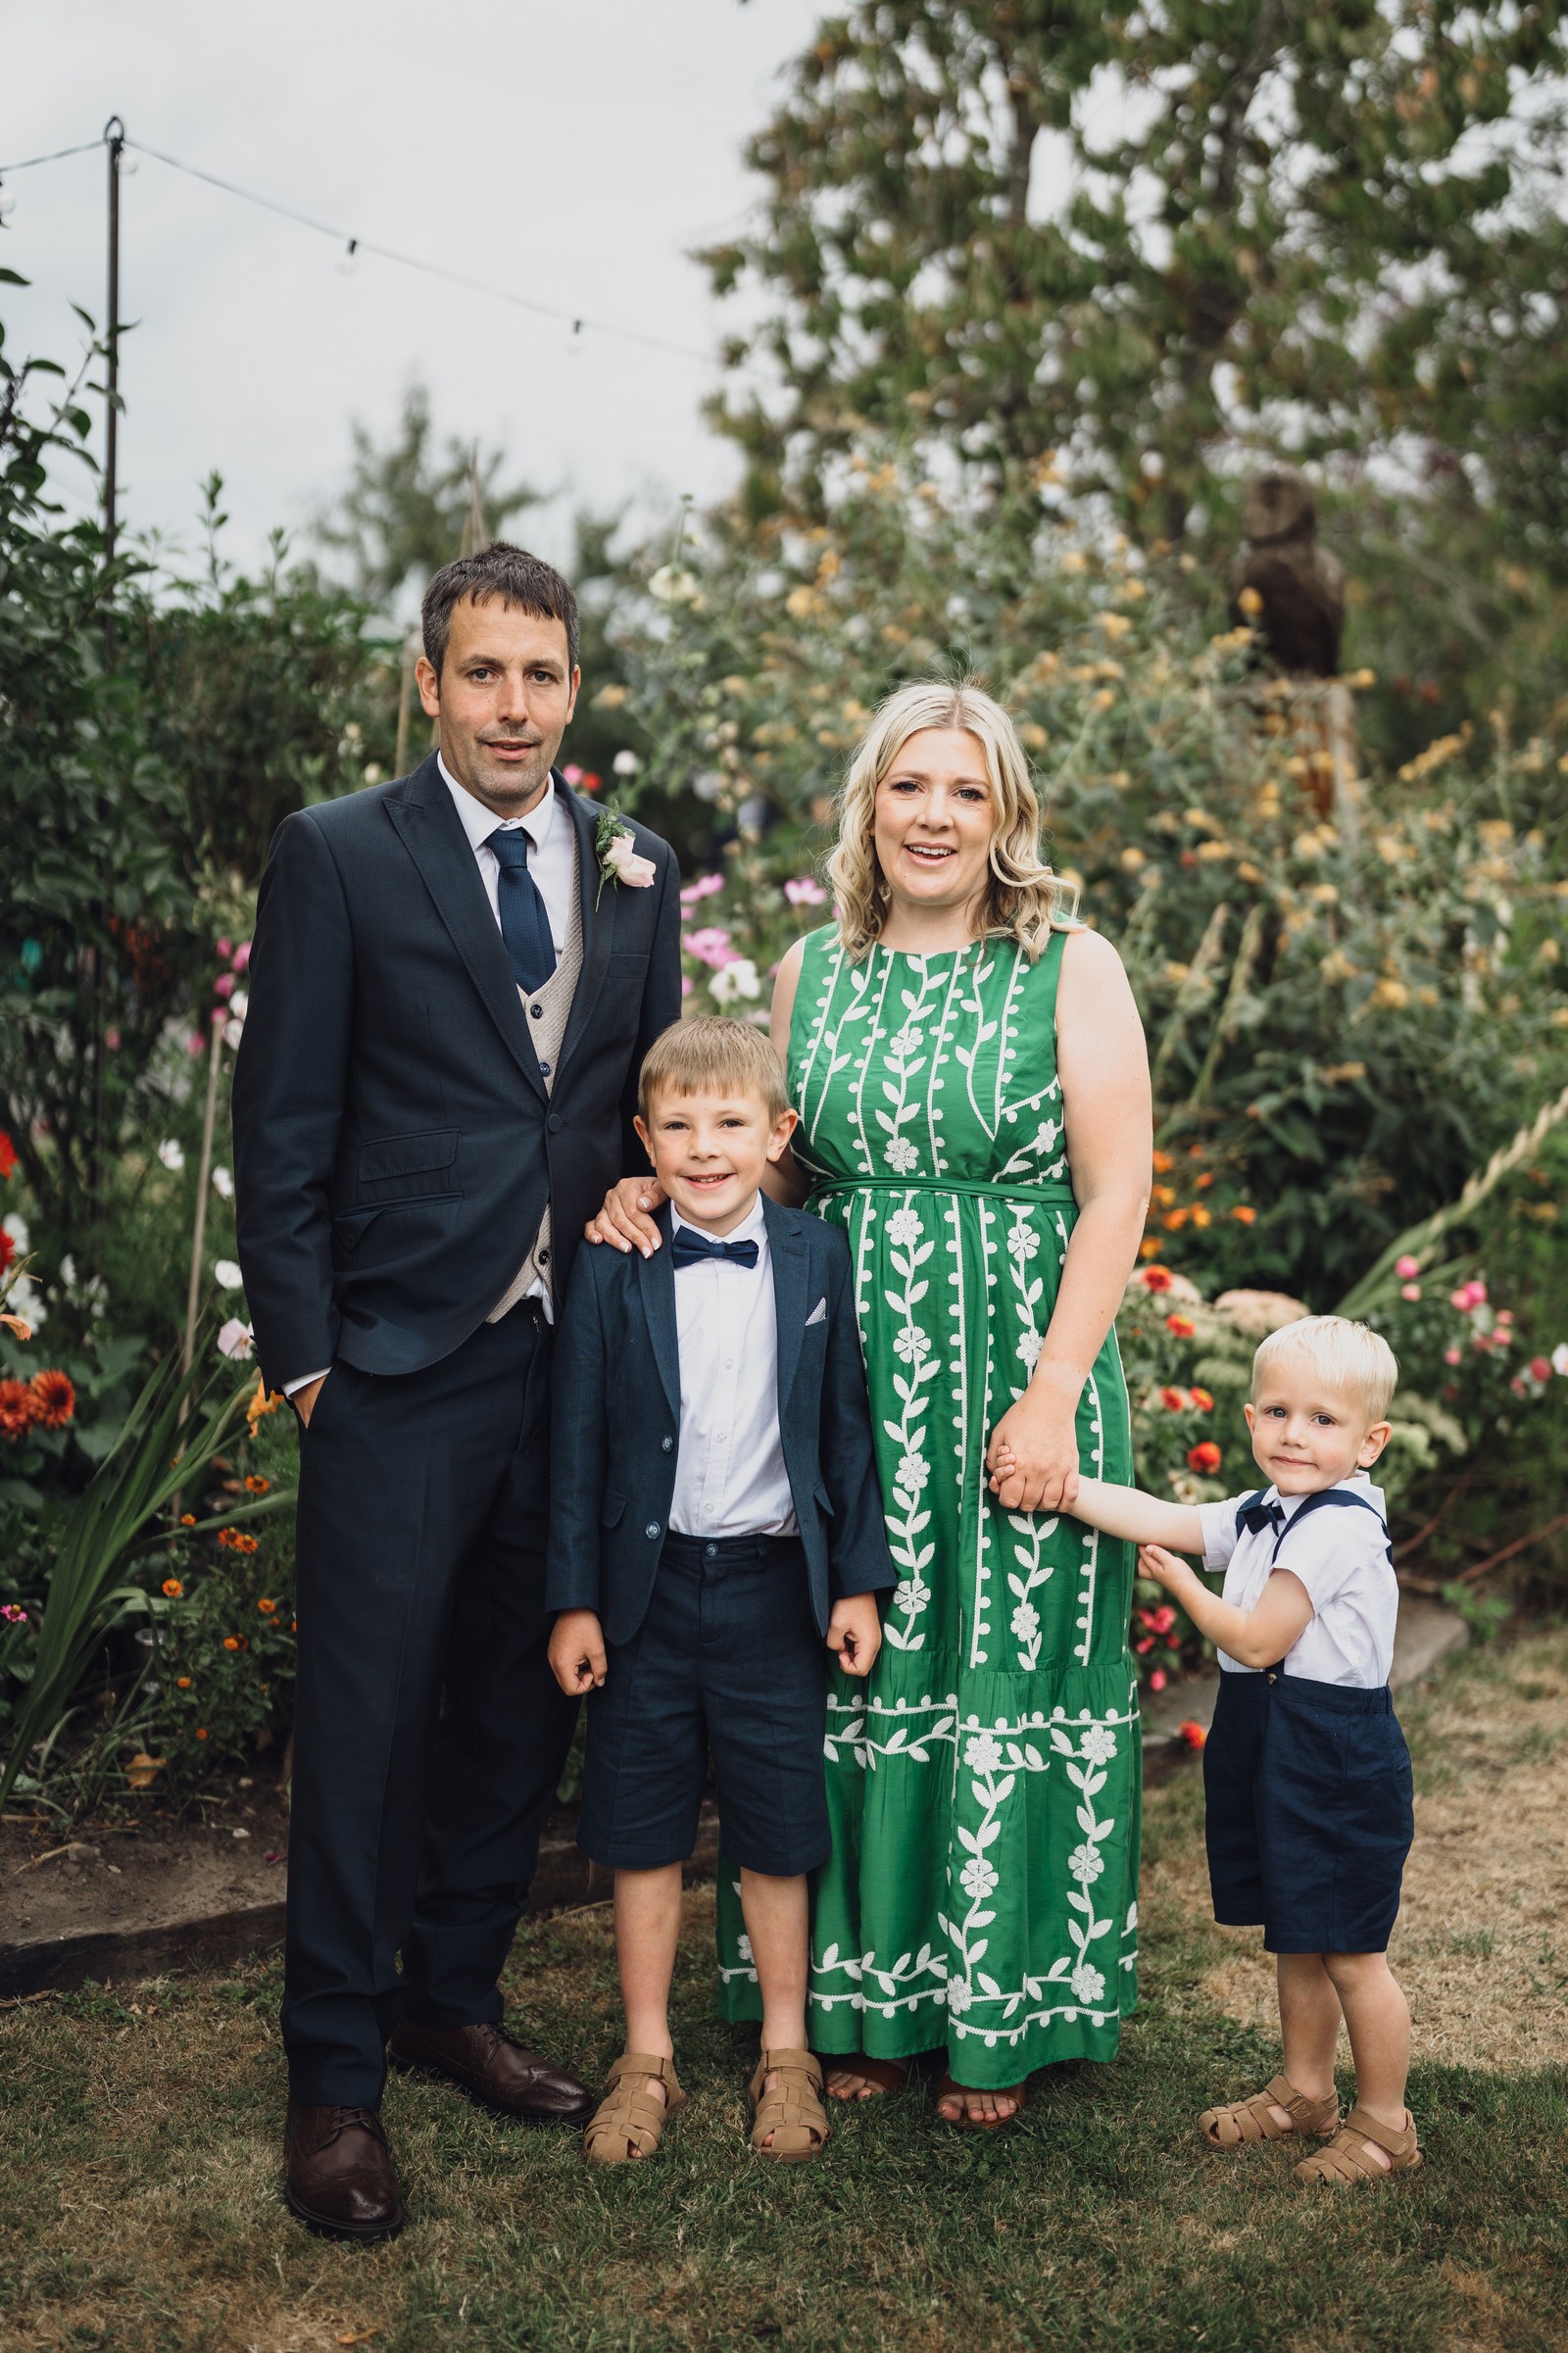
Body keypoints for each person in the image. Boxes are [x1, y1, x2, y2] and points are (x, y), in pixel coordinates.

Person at [589, 680, 1152, 2127]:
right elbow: (778, 1167)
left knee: (995, 1673)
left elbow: (1116, 1192)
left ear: (1007, 814)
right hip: (844, 1385)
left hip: (1018, 1367)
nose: (935, 817)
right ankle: (858, 2005)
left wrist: (1053, 1395)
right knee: (856, 1677)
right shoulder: (810, 971)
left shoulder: (1069, 965)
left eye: (967, 790)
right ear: (869, 805)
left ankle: (995, 2012)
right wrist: (658, 1187)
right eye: (910, 786)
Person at [232, 542, 681, 2240]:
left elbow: (639, 1100)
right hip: (397, 1364)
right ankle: (335, 2078)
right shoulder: (341, 852)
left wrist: (641, 1204)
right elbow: (283, 1122)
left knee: (521, 1694)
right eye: (483, 673)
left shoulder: (637, 867)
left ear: (575, 691)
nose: (513, 706)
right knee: (366, 1723)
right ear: (430, 682)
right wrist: (309, 1366)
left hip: (574, 1355)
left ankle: (452, 1997)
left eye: (541, 676)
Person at [547, 1018, 895, 2164]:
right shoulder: (614, 1257)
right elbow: (577, 1439)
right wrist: (574, 1600)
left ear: (777, 1132)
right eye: (679, 1126)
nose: (704, 1147)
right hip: (644, 1594)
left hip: (771, 1590)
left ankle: (786, 2053)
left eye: (731, 1122)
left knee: (777, 1828)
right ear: (644, 1141)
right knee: (641, 1830)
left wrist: (858, 1584)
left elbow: (844, 1428)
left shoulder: (816, 1255)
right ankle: (645, 2056)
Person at [1063, 1313, 1421, 2183]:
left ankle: (1386, 2122)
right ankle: (1306, 2090)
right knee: (1298, 1933)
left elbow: (1260, 1640)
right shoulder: (1267, 1508)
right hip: (1267, 1736)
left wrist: (1185, 1585)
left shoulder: (1336, 1526)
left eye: (1324, 1419)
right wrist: (1067, 1489)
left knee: (1350, 1951)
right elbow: (1161, 1514)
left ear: (1369, 1442)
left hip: (1332, 1752)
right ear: (1252, 1418)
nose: (1295, 1433)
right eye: (1279, 1412)